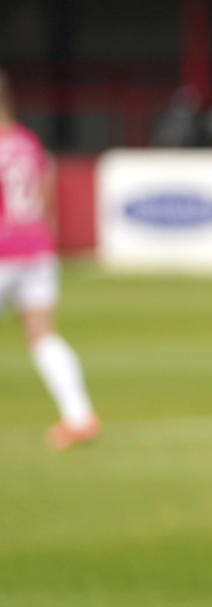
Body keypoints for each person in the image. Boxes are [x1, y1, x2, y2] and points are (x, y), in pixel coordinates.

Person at [0, 69, 99, 449]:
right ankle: (78, 416)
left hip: (4, 250)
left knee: (41, 337)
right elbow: (43, 197)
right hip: (36, 247)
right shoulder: (28, 142)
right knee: (43, 336)